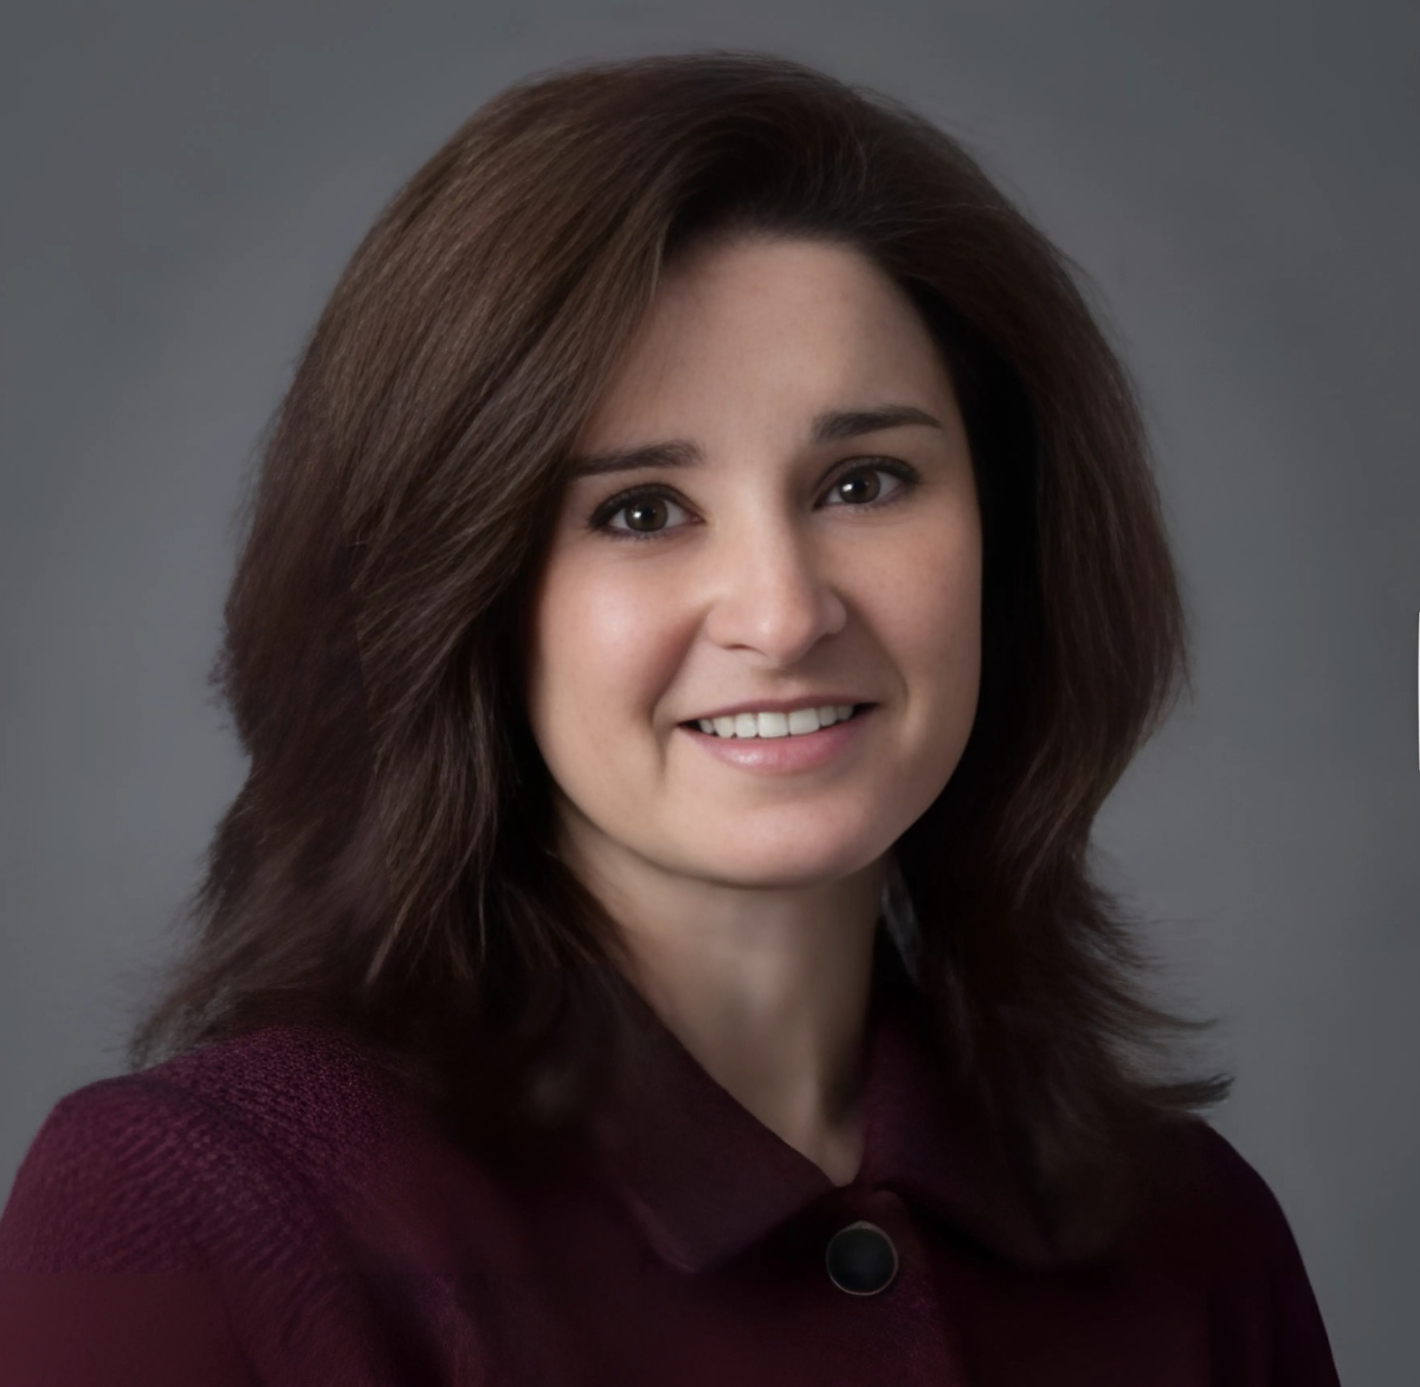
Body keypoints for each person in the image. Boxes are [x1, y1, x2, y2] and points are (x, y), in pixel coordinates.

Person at [0, 49, 1341, 1385]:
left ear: (1011, 536)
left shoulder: (1197, 1237)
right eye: (640, 510)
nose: (783, 609)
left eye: (865, 481)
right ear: (461, 597)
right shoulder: (189, 1217)